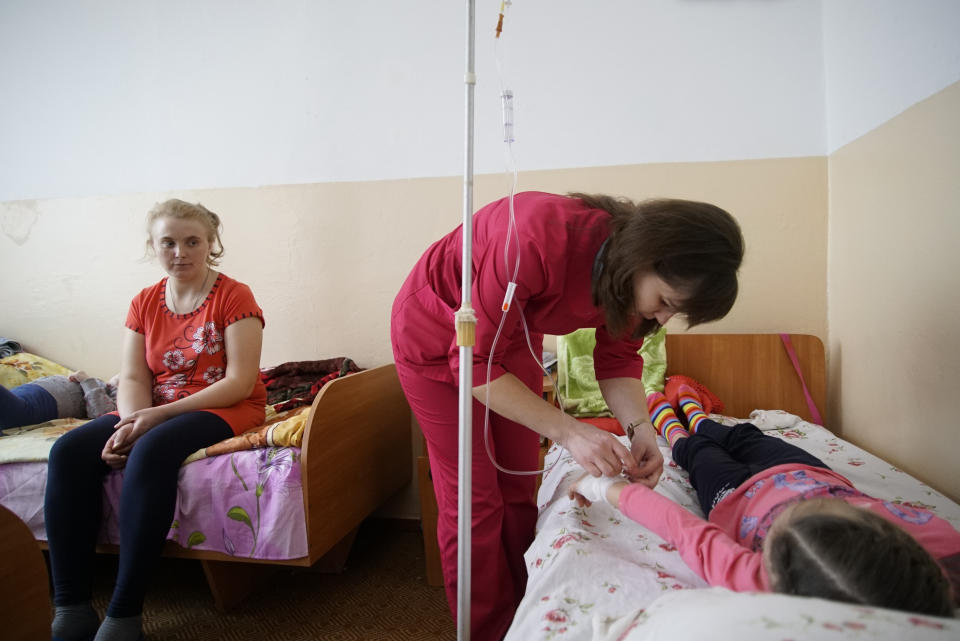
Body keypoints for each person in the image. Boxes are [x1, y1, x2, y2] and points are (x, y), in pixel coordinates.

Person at [391, 190, 744, 640]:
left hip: (510, 339)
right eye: (666, 301)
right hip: (434, 339)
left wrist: (642, 432)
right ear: (647, 256)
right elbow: (472, 364)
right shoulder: (536, 238)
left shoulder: (632, 283)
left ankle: (524, 611)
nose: (663, 315)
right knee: (474, 499)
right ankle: (484, 630)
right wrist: (570, 432)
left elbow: (617, 361)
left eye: (676, 311)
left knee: (518, 483)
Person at [45, 200, 267, 641]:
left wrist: (150, 422)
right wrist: (129, 422)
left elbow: (241, 382)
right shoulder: (144, 301)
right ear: (153, 246)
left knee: (152, 450)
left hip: (221, 405)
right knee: (67, 451)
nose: (180, 251)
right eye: (169, 242)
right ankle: (70, 606)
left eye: (192, 241)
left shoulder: (234, 296)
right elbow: (132, 376)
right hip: (151, 407)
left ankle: (124, 613)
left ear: (210, 245)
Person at [571, 384, 960, 617]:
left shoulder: (762, 578)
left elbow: (680, 527)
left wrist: (598, 487)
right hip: (809, 473)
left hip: (734, 496)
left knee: (696, 453)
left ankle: (674, 426)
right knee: (748, 436)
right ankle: (700, 414)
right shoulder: (937, 549)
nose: (796, 504)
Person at [0, 371, 118, 430]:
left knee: (14, 414)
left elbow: (102, 414)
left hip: (40, 404)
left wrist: (87, 380)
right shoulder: (103, 386)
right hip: (31, 390)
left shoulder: (119, 402)